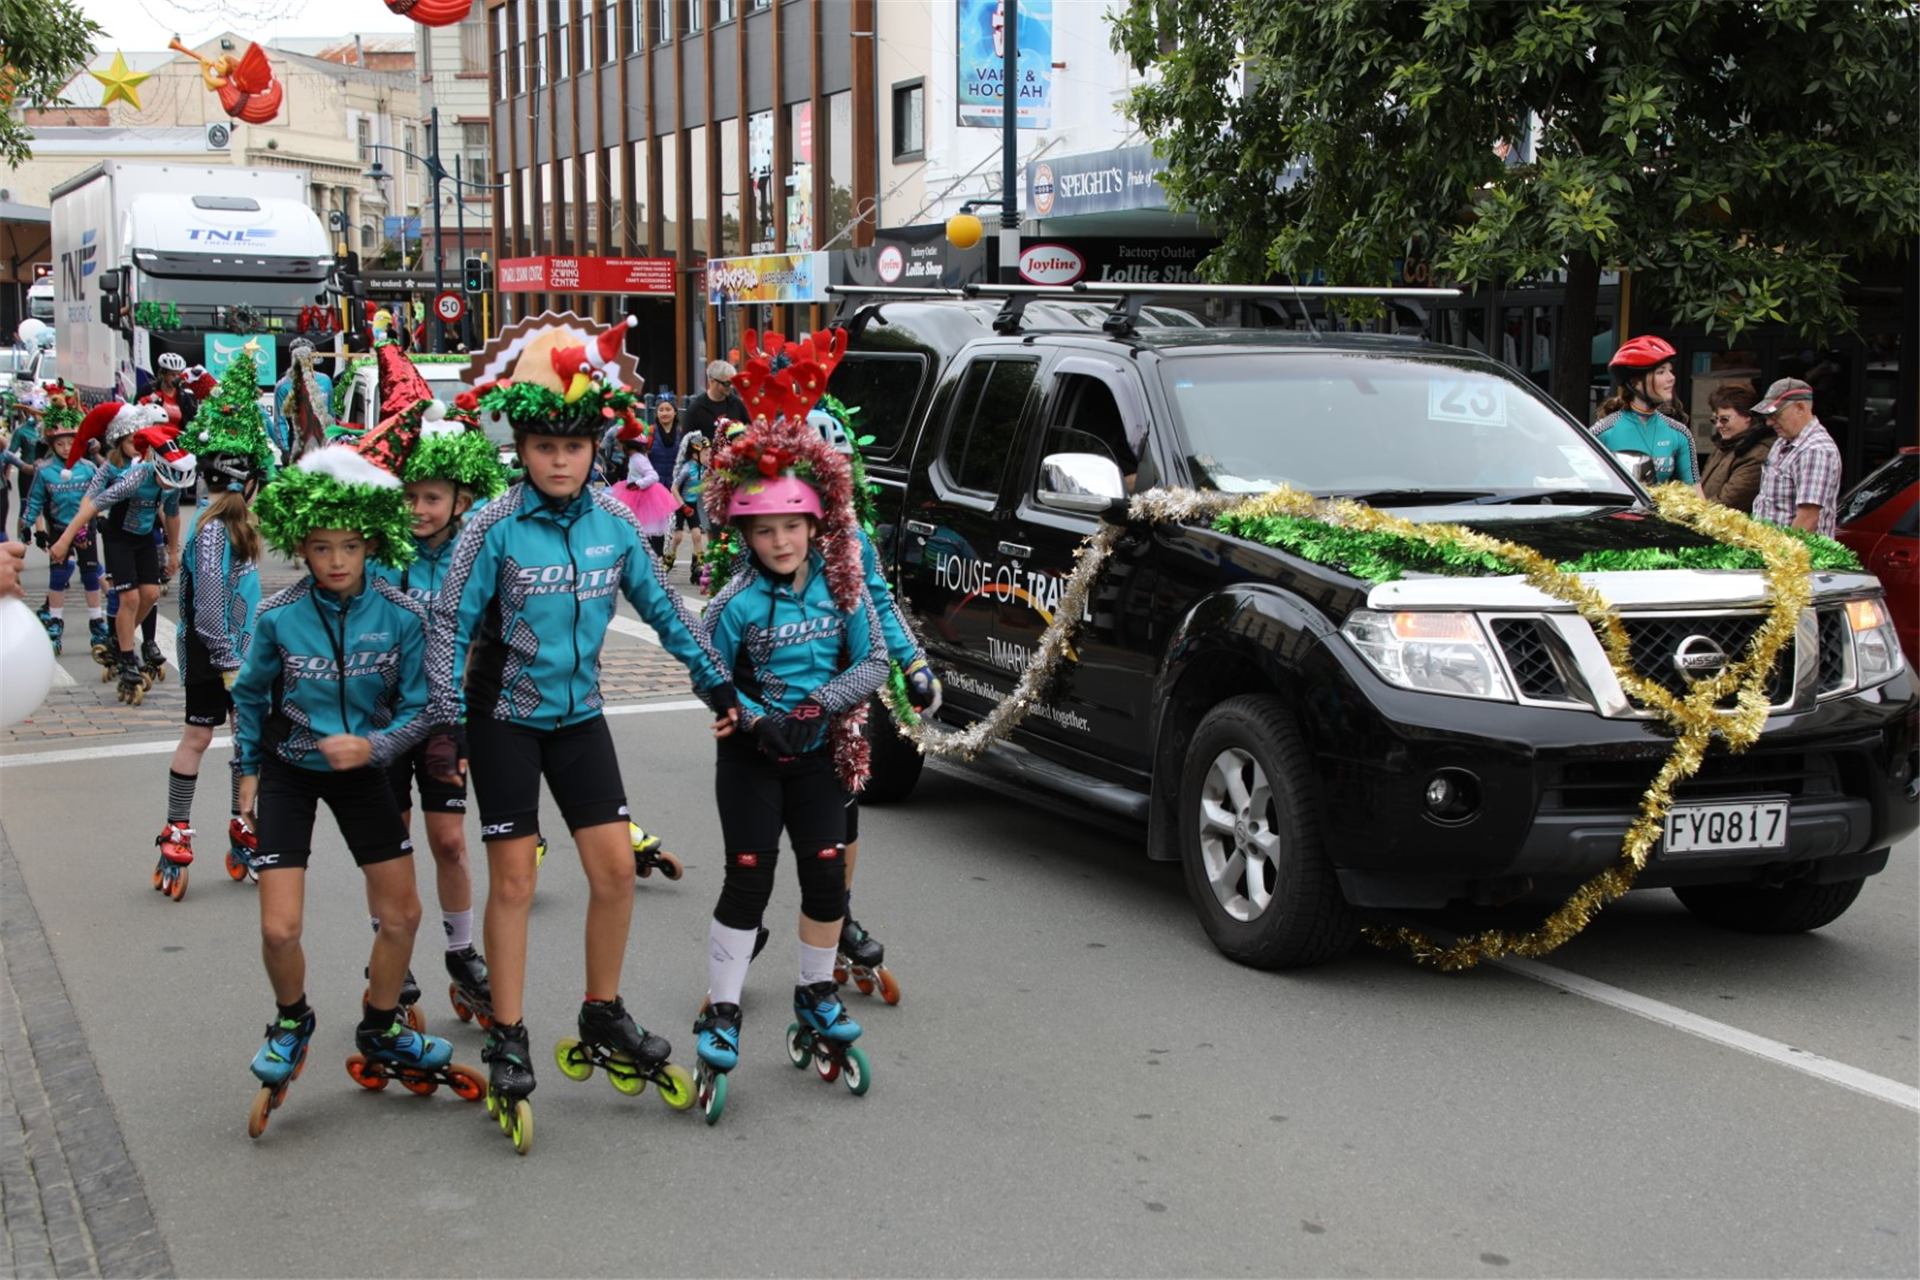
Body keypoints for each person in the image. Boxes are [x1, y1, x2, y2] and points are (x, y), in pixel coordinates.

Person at [424, 346, 737, 1141]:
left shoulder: (617, 524)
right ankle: (508, 1032)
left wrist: (718, 686)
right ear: (522, 449)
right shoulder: (493, 526)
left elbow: (666, 611)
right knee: (515, 883)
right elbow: (448, 627)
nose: (559, 461)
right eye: (544, 447)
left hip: (580, 719)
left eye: (573, 446)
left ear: (596, 449)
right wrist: (447, 726)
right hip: (503, 719)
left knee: (615, 874)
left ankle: (602, 1012)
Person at [233, 444, 454, 1110]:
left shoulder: (402, 616)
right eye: (322, 547)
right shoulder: (278, 617)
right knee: (279, 929)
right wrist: (247, 772)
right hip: (289, 772)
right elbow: (250, 697)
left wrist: (376, 746)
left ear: (371, 545)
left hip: (362, 772)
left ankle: (382, 1026)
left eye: (350, 547)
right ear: (301, 546)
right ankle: (291, 1021)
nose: (336, 561)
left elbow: (423, 707)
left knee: (403, 915)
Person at [688, 412, 889, 1099]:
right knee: (749, 880)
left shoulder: (844, 587)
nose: (780, 541)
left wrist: (818, 707)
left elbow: (874, 661)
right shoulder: (733, 602)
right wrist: (750, 718)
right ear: (744, 535)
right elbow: (706, 671)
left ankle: (815, 994)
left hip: (817, 754)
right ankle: (723, 1010)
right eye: (765, 530)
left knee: (826, 875)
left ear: (814, 525)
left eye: (792, 527)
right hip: (752, 759)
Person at [367, 409, 509, 1027]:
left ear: (462, 501)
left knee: (449, 841)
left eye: (431, 498)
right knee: (390, 843)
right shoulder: (380, 554)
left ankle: (461, 952)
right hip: (383, 719)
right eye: (409, 497)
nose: (418, 509)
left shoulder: (475, 557)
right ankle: (390, 956)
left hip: (448, 719)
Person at [156, 423, 270, 893]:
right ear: (245, 484)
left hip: (243, 653)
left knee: (247, 743)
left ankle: (243, 820)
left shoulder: (237, 526)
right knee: (199, 736)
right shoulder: (212, 532)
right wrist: (228, 663)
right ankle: (176, 827)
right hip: (213, 653)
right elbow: (207, 607)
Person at [46, 403, 185, 701]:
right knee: (128, 598)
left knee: (150, 594)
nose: (137, 446)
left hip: (144, 536)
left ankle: (123, 641)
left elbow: (172, 515)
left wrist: (173, 552)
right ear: (120, 441)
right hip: (117, 536)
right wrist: (68, 538)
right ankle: (126, 653)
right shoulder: (126, 474)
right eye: (131, 441)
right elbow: (92, 501)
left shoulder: (168, 476)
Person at [20, 414, 107, 657]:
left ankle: (96, 620)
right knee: (58, 576)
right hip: (59, 529)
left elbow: (100, 495)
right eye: (60, 444)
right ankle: (55, 620)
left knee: (90, 574)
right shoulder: (45, 471)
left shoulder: (88, 468)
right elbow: (35, 499)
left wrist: (100, 516)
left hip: (85, 528)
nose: (66, 448)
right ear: (51, 445)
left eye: (71, 443)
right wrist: (27, 525)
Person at [1591, 335, 1696, 485]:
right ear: (1636, 382)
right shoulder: (1601, 431)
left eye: (1670, 370)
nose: (1671, 377)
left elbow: (1694, 492)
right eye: (1661, 372)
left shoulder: (1680, 433)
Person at [1751, 378, 1843, 536]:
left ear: (1799, 408)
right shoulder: (1783, 441)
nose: (1769, 423)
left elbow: (1807, 519)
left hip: (1792, 550)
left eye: (1775, 415)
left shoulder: (1815, 450)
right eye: (1767, 416)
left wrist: (1783, 551)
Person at [1697, 383, 1774, 514]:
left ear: (1747, 417)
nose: (1718, 425)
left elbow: (1728, 504)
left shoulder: (1757, 455)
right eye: (1714, 420)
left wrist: (1690, 510)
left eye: (1725, 419)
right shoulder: (1724, 446)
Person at [667, 432, 709, 585]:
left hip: (692, 505)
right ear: (694, 455)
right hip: (679, 504)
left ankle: (698, 566)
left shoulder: (704, 469)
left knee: (697, 536)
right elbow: (673, 488)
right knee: (678, 537)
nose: (709, 457)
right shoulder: (687, 468)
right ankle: (668, 561)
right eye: (706, 454)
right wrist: (683, 506)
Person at [682, 360, 748, 446]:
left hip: (733, 453)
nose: (731, 386)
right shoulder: (696, 407)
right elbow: (688, 437)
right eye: (727, 383)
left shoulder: (737, 404)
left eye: (733, 382)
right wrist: (708, 446)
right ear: (712, 381)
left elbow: (749, 429)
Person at [146, 352, 200, 433]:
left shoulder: (184, 396)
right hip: (155, 435)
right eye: (172, 374)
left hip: (177, 437)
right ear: (163, 375)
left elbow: (191, 419)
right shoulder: (150, 389)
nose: (176, 377)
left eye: (178, 374)